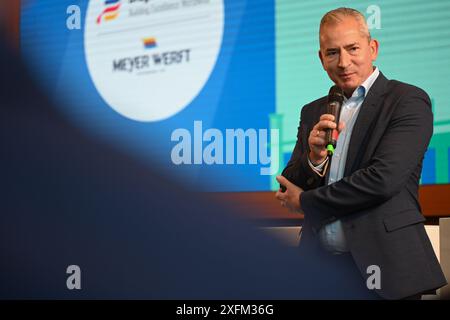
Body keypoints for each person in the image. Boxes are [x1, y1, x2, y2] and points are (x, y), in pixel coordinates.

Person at [275, 7, 447, 300]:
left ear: (372, 48)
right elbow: (288, 183)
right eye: (332, 53)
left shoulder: (406, 100)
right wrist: (314, 159)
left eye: (352, 48)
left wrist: (305, 201)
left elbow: (383, 180)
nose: (343, 62)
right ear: (321, 59)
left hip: (386, 271)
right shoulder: (313, 110)